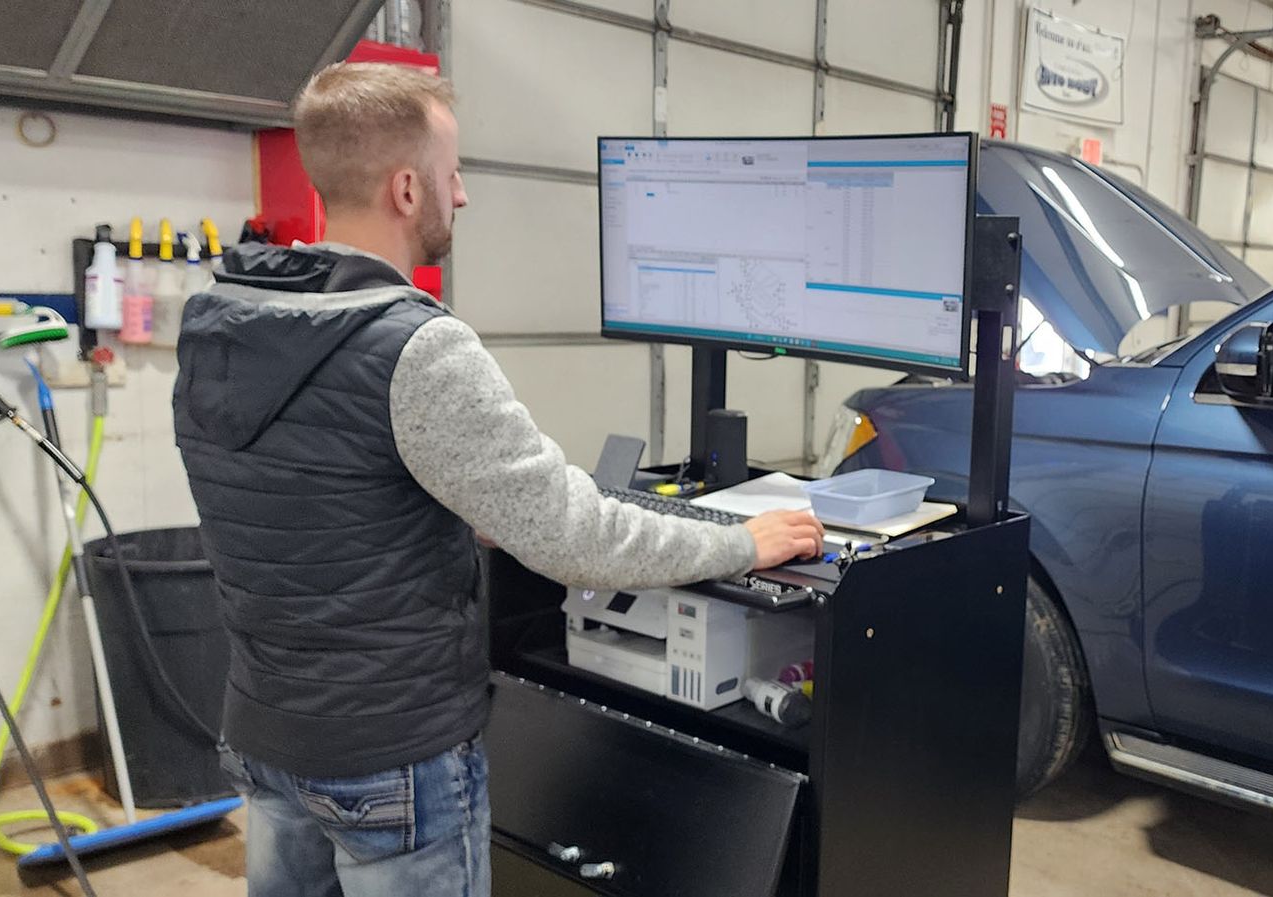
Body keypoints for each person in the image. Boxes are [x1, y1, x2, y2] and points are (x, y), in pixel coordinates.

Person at [171, 62, 824, 897]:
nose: (463, 194)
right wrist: (740, 543)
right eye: (451, 173)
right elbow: (574, 537)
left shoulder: (221, 320)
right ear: (407, 189)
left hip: (265, 734)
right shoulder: (415, 347)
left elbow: (305, 496)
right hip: (392, 759)